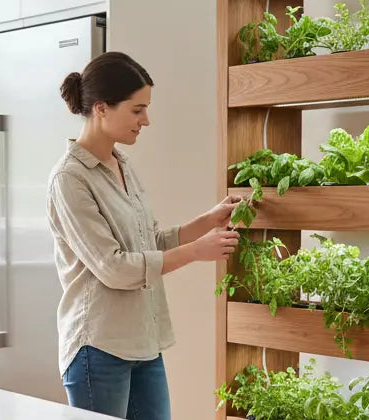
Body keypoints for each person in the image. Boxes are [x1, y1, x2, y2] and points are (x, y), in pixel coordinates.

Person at [47, 51, 241, 420]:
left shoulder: (123, 165)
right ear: (102, 108)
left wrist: (208, 220)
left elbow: (148, 242)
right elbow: (115, 269)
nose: (146, 120)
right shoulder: (70, 179)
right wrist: (196, 252)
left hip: (143, 343)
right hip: (98, 348)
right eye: (137, 110)